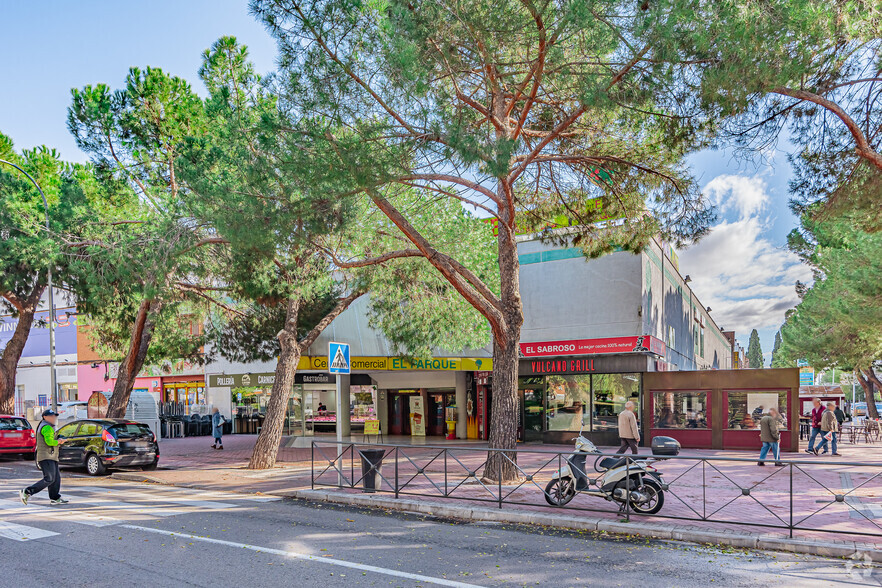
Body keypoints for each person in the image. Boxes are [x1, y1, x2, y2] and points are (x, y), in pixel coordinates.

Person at [20, 409, 69, 505]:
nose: (54, 418)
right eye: (51, 416)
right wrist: (60, 441)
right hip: (46, 456)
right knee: (49, 478)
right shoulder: (47, 427)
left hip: (50, 456)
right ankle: (27, 492)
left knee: (56, 478)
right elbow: (49, 442)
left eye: (55, 416)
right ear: (45, 417)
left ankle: (55, 498)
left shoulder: (46, 426)